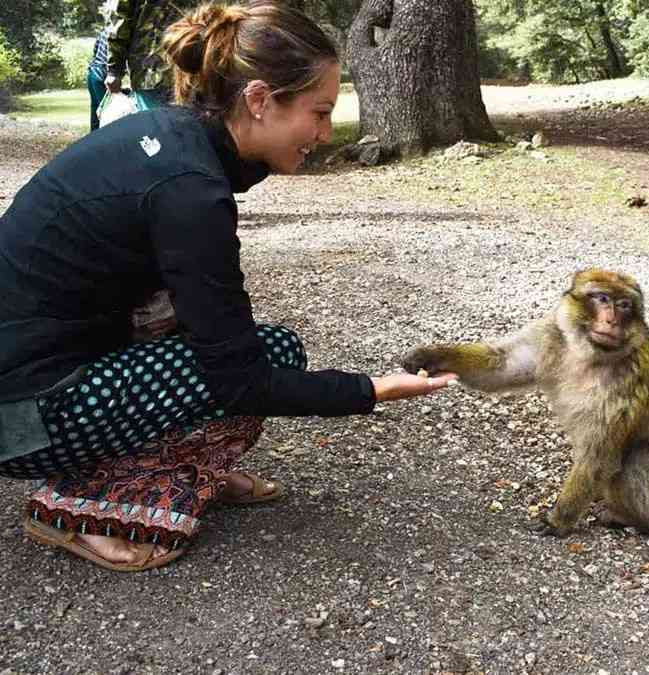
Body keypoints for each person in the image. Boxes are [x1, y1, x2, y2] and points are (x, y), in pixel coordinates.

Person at [0, 1, 456, 572]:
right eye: (319, 112)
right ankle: (84, 503)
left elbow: (203, 320)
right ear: (261, 100)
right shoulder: (190, 190)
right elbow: (239, 378)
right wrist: (369, 390)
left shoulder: (174, 137)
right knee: (266, 362)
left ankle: (183, 462)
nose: (324, 132)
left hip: (45, 368)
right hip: (23, 414)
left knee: (253, 350)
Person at [105, 0, 198, 107]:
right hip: (169, 73)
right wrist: (114, 70)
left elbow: (119, 20)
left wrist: (114, 70)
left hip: (161, 73)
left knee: (155, 121)